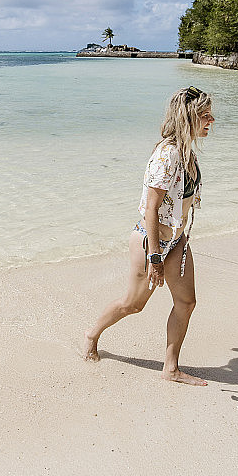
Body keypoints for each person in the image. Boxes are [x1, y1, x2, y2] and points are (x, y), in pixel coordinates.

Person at [84, 86, 215, 386]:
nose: (211, 121)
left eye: (212, 115)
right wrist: (155, 256)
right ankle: (92, 335)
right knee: (133, 304)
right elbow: (151, 210)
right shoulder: (166, 154)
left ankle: (170, 368)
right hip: (150, 241)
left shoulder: (187, 154)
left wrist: (175, 243)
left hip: (177, 242)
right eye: (205, 115)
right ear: (188, 117)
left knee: (186, 302)